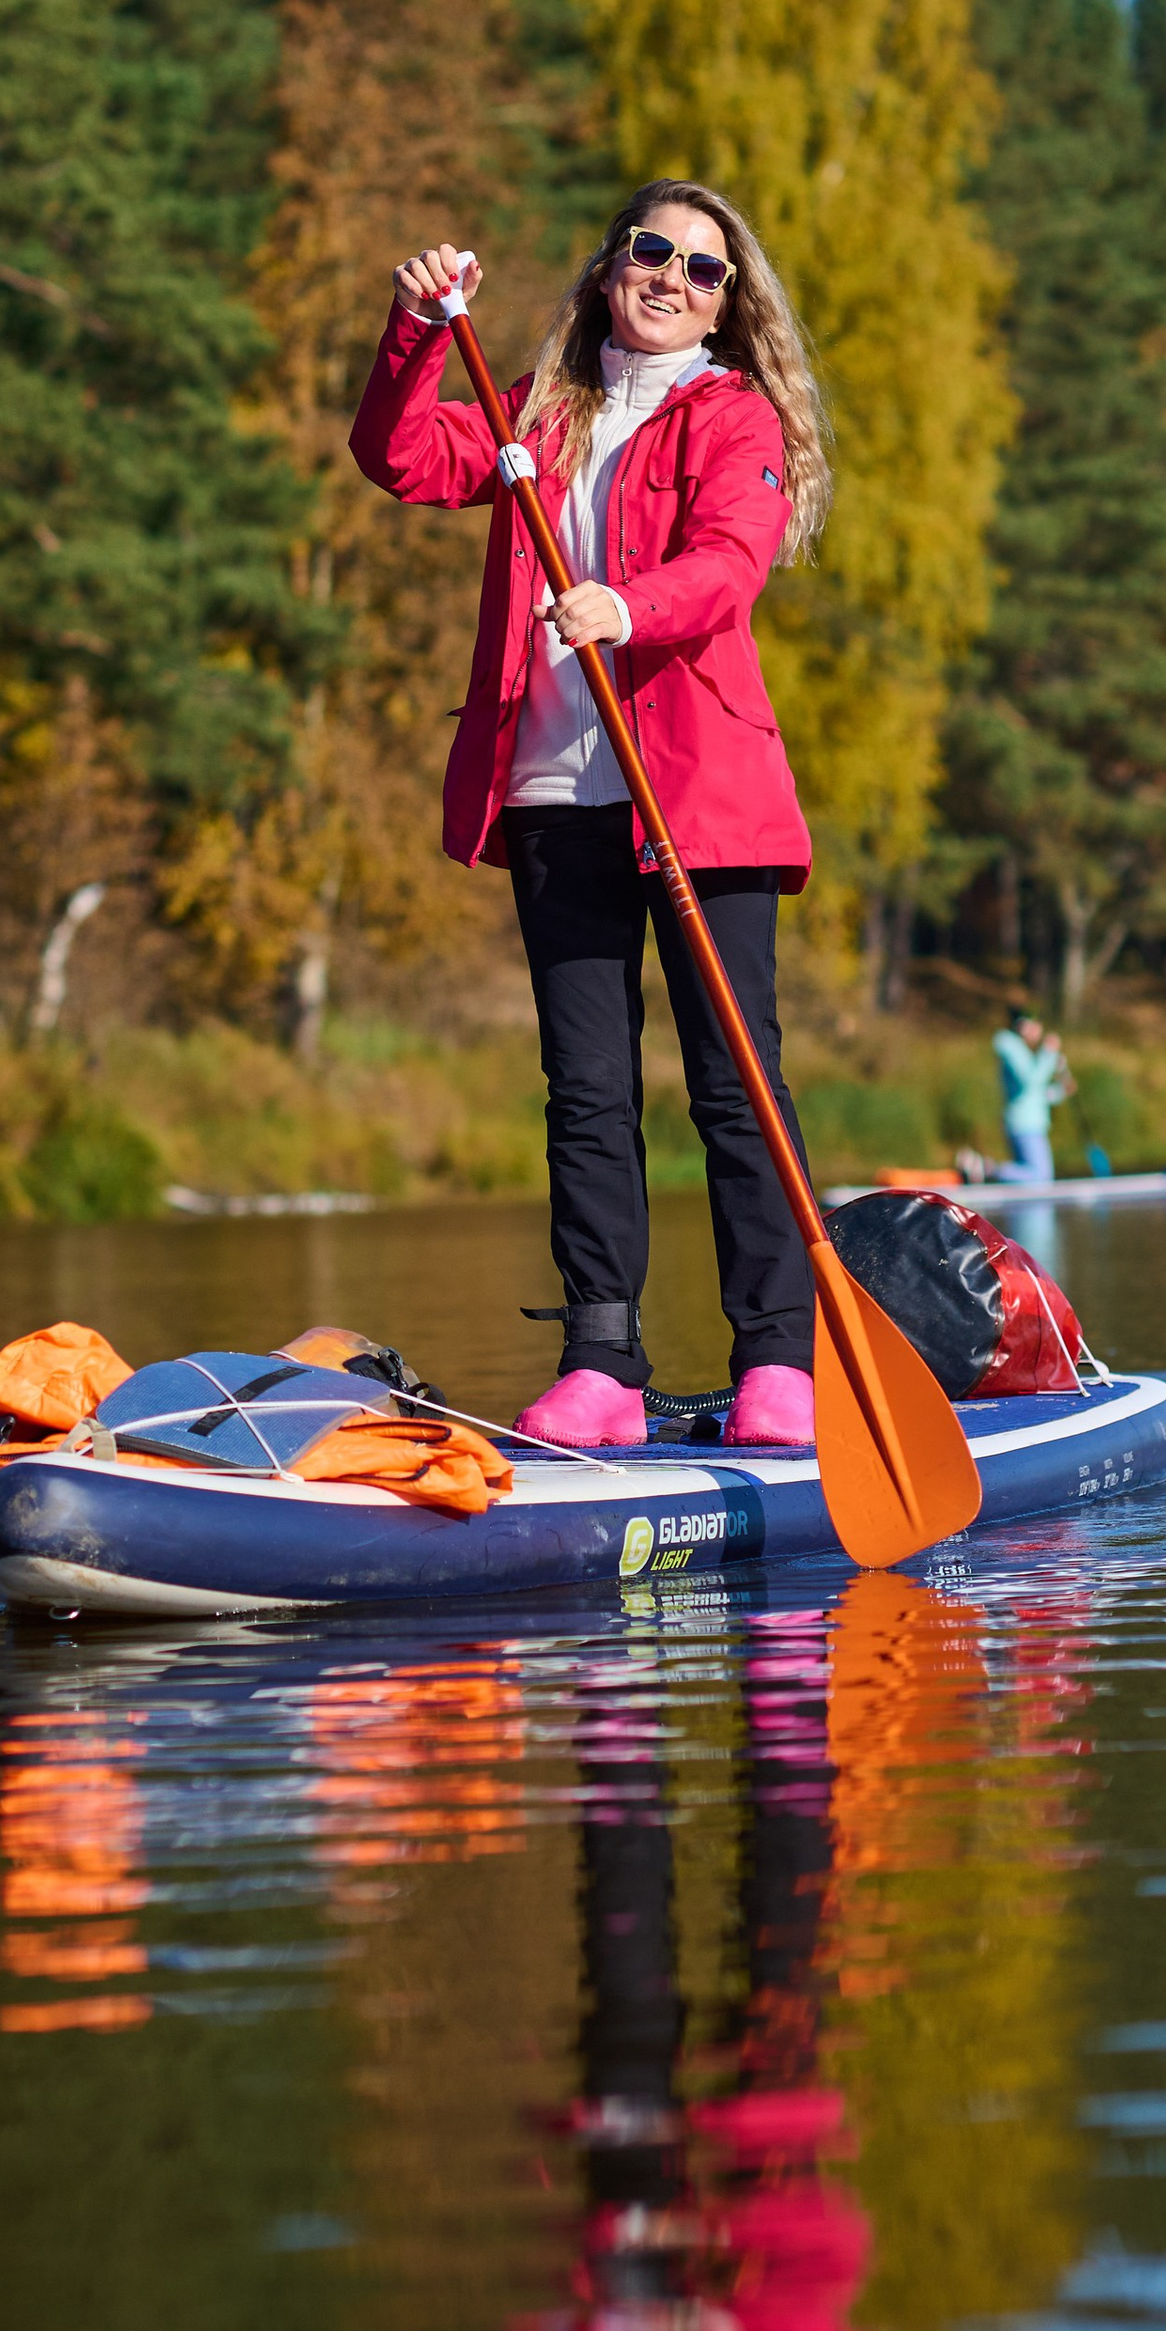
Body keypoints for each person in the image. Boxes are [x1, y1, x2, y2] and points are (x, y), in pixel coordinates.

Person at [350, 180, 831, 1451]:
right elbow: (397, 455)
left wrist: (629, 605)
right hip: (557, 792)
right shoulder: (535, 414)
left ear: (729, 308)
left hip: (699, 801)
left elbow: (732, 559)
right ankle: (603, 1362)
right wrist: (413, 330)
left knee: (735, 1084)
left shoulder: (736, 420)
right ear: (610, 265)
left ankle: (778, 1358)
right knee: (586, 1089)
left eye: (703, 268)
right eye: (651, 250)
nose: (671, 275)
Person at [990, 1012, 1071, 1186]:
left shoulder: (1021, 1051)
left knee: (1036, 1179)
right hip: (1023, 1124)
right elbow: (1031, 1079)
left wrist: (1060, 1091)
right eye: (1036, 1025)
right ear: (1023, 1026)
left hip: (1032, 1124)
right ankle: (987, 1170)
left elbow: (1036, 1094)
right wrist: (1048, 1053)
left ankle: (988, 1170)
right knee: (1040, 1178)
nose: (1040, 1032)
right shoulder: (1011, 1046)